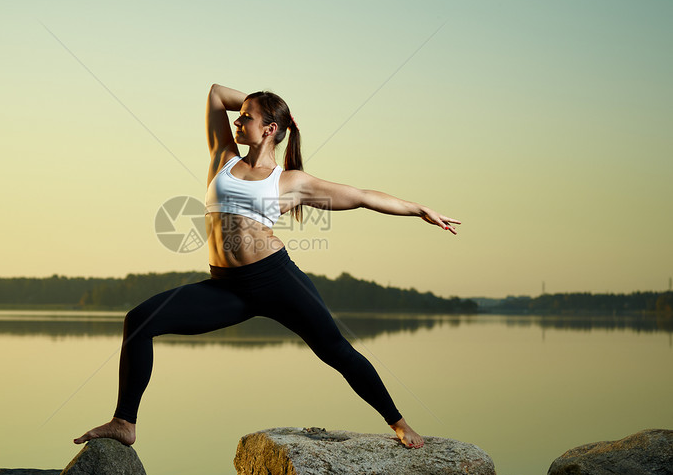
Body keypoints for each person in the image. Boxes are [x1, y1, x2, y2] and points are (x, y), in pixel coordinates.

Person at [74, 84, 460, 449]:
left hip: (275, 280)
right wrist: (275, 111)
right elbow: (215, 93)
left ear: (269, 130)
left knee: (337, 351)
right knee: (140, 320)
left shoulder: (291, 181)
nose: (238, 122)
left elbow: (361, 196)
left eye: (247, 118)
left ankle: (399, 422)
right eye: (239, 116)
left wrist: (418, 209)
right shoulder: (223, 158)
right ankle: (124, 423)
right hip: (225, 287)